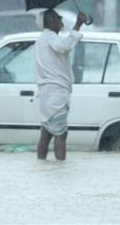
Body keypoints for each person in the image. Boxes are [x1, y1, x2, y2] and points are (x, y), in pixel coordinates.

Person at [35, 9, 87, 160]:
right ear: (50, 21)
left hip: (49, 94)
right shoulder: (49, 37)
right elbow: (63, 46)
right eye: (58, 18)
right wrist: (78, 23)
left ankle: (42, 166)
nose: (61, 21)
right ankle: (60, 169)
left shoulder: (44, 38)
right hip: (55, 93)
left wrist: (78, 25)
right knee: (61, 134)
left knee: (46, 133)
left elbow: (64, 45)